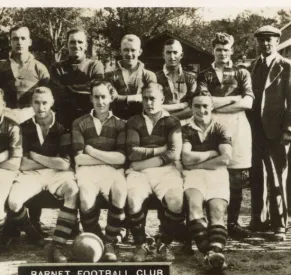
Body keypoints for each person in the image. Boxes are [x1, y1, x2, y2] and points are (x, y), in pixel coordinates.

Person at [7, 87, 79, 261]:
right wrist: (48, 160)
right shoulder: (23, 127)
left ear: (52, 103)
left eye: (45, 102)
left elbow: (64, 163)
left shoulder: (63, 126)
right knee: (14, 202)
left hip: (57, 173)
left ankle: (58, 245)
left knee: (72, 191)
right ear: (31, 104)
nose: (41, 107)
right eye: (36, 103)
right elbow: (21, 164)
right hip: (32, 174)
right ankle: (34, 235)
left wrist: (35, 155)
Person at [197, 32, 254, 240]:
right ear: (213, 50)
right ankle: (212, 223)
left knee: (236, 176)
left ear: (232, 50)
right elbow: (204, 102)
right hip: (212, 126)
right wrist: (234, 98)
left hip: (238, 126)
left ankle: (232, 223)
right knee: (212, 171)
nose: (222, 53)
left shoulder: (242, 73)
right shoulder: (204, 74)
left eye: (226, 49)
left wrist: (217, 103)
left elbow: (248, 103)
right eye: (218, 49)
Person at [126, 82, 184, 262]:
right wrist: (160, 150)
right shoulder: (134, 121)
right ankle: (140, 244)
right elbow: (132, 153)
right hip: (140, 174)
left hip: (166, 170)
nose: (149, 103)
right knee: (133, 199)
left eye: (153, 99)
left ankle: (164, 243)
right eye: (145, 98)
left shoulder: (172, 121)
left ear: (162, 99)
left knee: (176, 201)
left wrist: (142, 164)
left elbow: (174, 153)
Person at [248, 25, 291, 241]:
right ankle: (258, 221)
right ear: (257, 42)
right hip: (254, 130)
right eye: (262, 40)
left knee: (277, 177)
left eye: (270, 40)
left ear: (277, 42)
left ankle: (280, 224)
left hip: (277, 131)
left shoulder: (287, 66)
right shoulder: (253, 66)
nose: (265, 44)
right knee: (257, 176)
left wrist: (288, 128)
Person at [72, 80, 127, 262]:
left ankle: (111, 242)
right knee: (86, 198)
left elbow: (121, 158)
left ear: (111, 98)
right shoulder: (79, 123)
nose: (100, 101)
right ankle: (94, 238)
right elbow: (79, 158)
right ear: (91, 98)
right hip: (87, 170)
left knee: (119, 190)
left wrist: (91, 150)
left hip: (112, 170)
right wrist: (107, 156)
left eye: (104, 97)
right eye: (96, 97)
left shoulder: (121, 124)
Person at [182, 92, 232, 272]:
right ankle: (210, 253)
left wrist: (197, 163)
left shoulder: (220, 128)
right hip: (194, 176)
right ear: (191, 107)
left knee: (217, 211)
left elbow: (226, 159)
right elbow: (185, 157)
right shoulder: (185, 129)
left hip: (217, 174)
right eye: (197, 106)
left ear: (212, 107)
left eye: (205, 106)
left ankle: (214, 252)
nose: (201, 110)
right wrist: (212, 153)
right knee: (194, 207)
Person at [50, 28, 104, 130]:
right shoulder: (57, 67)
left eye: (80, 42)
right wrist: (83, 91)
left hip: (90, 121)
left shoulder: (95, 65)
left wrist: (67, 88)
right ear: (67, 45)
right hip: (64, 121)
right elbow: (57, 93)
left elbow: (95, 89)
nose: (76, 46)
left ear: (85, 45)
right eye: (72, 42)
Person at [0, 25, 50, 124]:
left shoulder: (40, 68)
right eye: (15, 39)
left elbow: (47, 99)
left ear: (29, 42)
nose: (19, 42)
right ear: (10, 42)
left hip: (32, 121)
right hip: (5, 122)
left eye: (23, 38)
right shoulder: (1, 66)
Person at [105, 34, 157, 120]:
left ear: (139, 52)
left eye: (133, 50)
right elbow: (111, 98)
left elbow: (151, 100)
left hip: (142, 122)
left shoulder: (149, 76)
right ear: (120, 51)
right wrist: (138, 97)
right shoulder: (110, 75)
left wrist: (121, 98)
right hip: (116, 122)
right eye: (126, 50)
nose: (129, 54)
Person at [0, 89, 22, 249]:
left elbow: (15, 160)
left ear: (3, 105)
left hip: (7, 170)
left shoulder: (11, 126)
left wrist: (6, 156)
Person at [156, 39, 197, 125]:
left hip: (186, 123)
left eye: (175, 52)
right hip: (161, 124)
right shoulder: (155, 78)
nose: (172, 56)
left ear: (181, 55)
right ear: (163, 55)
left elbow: (193, 107)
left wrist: (170, 118)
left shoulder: (191, 78)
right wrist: (182, 105)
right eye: (168, 52)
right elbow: (153, 106)